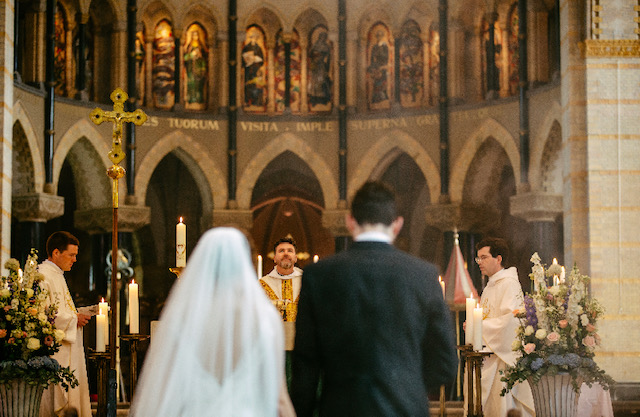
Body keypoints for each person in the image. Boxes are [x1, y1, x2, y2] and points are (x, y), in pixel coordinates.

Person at [291, 181, 458, 416]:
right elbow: (445, 364)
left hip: (341, 409)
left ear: (350, 221)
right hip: (405, 409)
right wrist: (405, 386)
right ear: (397, 224)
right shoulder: (422, 275)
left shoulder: (319, 275)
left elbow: (305, 363)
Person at [130, 228, 294, 417]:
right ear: (246, 263)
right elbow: (279, 399)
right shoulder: (264, 317)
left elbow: (162, 390)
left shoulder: (184, 317)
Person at [474, 237, 534, 417]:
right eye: (478, 258)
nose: (479, 262)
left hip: (502, 361)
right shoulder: (490, 286)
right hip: (488, 357)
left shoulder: (509, 284)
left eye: (484, 257)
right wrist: (474, 327)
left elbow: (511, 322)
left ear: (498, 259)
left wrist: (479, 327)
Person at [39, 232, 91, 417]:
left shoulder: (57, 275)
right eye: (71, 255)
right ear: (55, 253)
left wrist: (78, 314)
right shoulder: (43, 276)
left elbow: (61, 309)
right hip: (57, 352)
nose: (75, 259)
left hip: (69, 349)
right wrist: (73, 319)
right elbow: (42, 313)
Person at [259, 236, 303, 322]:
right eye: (281, 251)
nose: (286, 254)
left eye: (290, 251)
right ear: (274, 258)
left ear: (295, 258)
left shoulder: (305, 281)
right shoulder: (262, 285)